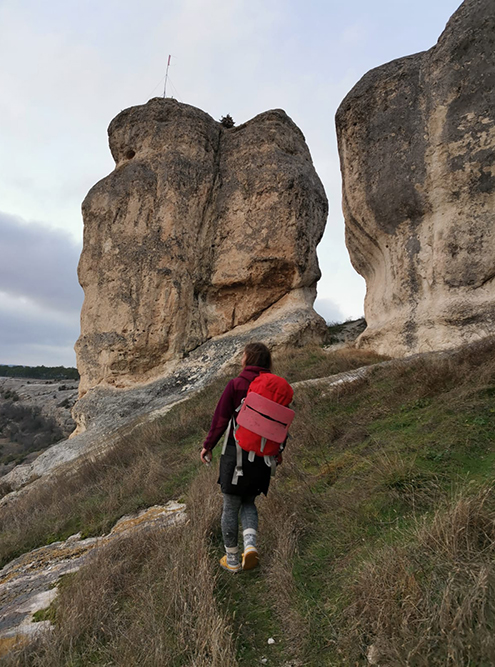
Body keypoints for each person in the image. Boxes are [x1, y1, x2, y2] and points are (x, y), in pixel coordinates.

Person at [200, 342, 281, 573]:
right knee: (248, 502)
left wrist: (208, 446)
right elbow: (280, 426)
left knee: (230, 505)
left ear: (249, 359)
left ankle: (233, 559)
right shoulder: (273, 388)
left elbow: (220, 419)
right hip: (263, 458)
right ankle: (251, 546)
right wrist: (278, 453)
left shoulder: (237, 385)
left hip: (235, 456)